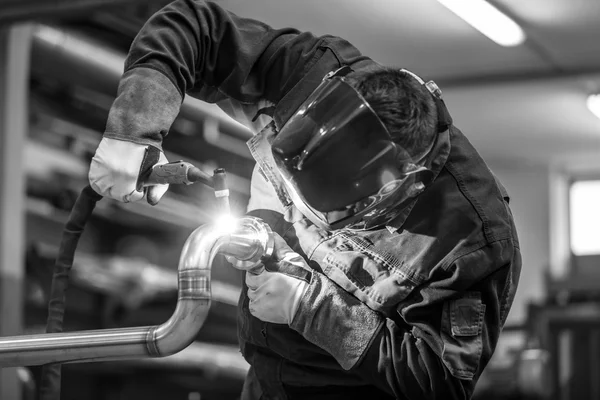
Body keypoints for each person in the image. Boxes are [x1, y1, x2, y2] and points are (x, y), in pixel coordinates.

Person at [88, 1, 522, 399]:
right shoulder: (308, 74)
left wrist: (309, 307)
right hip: (263, 379)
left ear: (397, 190)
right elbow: (191, 25)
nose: (298, 218)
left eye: (322, 214)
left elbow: (440, 382)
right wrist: (134, 129)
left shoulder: (472, 240)